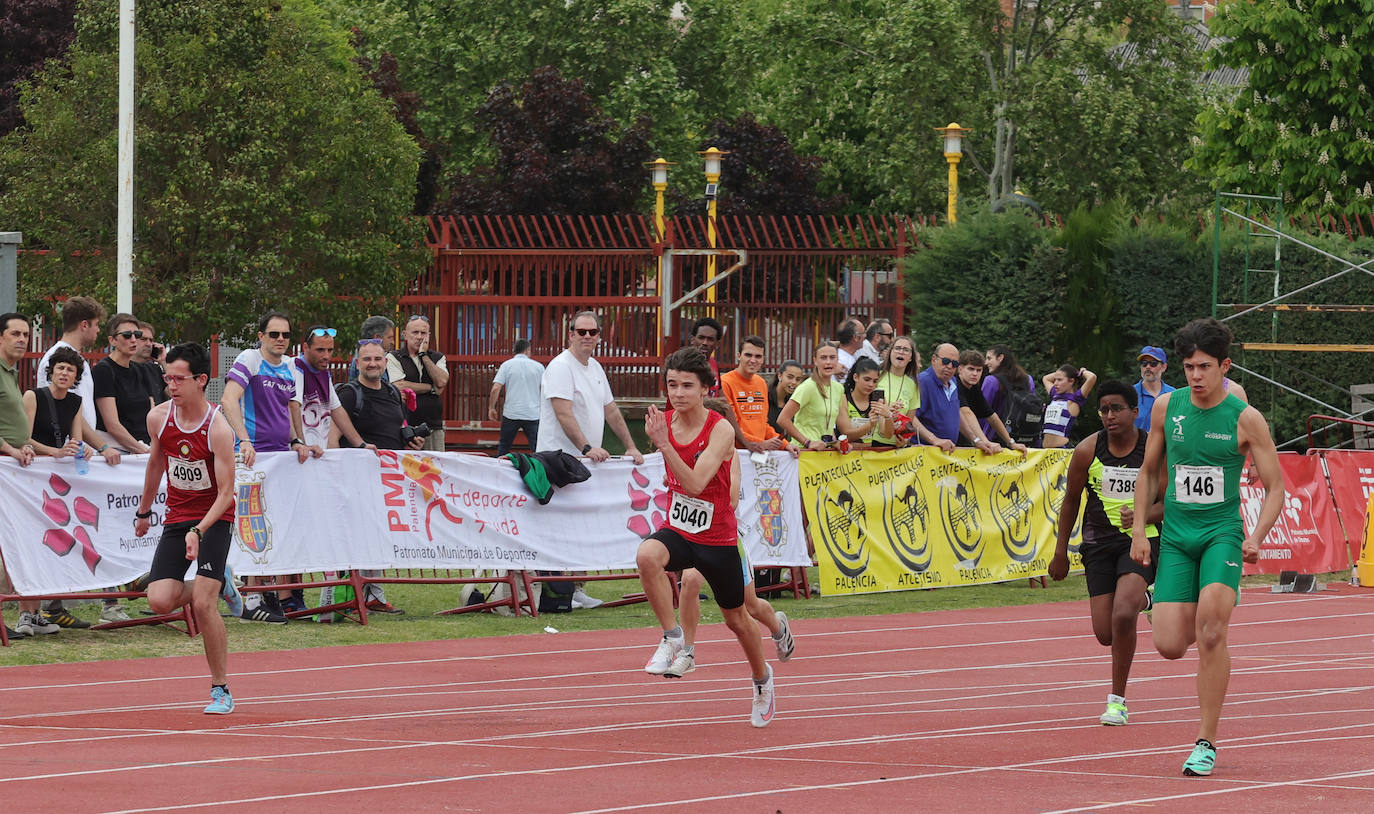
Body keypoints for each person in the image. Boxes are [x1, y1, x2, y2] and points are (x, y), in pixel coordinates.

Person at [1131, 317, 1284, 777]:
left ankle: (1206, 741)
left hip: (1222, 534)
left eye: (1204, 367)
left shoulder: (1245, 419)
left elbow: (1276, 487)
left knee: (1212, 632)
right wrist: (1140, 529)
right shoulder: (1165, 407)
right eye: (1189, 366)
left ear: (1224, 367)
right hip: (1176, 538)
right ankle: (1162, 599)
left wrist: (1256, 535)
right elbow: (1149, 472)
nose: (1195, 375)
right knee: (1171, 645)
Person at [635, 347, 777, 727]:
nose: (677, 394)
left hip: (717, 537)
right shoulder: (665, 421)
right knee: (648, 556)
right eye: (671, 385)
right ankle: (672, 637)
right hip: (681, 529)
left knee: (737, 618)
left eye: (686, 386)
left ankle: (762, 680)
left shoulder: (721, 428)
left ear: (704, 390)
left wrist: (664, 445)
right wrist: (662, 442)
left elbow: (697, 483)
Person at [132, 342, 245, 714]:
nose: (172, 386)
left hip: (215, 516)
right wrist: (144, 510)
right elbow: (154, 465)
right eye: (168, 378)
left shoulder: (218, 428)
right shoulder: (158, 419)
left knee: (202, 603)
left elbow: (227, 492)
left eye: (179, 379)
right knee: (159, 600)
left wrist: (201, 529)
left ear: (201, 380)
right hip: (179, 518)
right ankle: (222, 580)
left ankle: (220, 689)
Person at [1050, 380, 1162, 727]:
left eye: (1116, 409)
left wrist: (1143, 515)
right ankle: (1149, 599)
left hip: (1142, 538)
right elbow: (1070, 502)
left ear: (1134, 411)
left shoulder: (1154, 449)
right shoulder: (1087, 450)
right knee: (1105, 632)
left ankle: (1117, 701)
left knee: (1124, 611)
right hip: (1098, 542)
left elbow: (1171, 502)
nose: (1110, 416)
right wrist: (1059, 552)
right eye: (1104, 410)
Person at [667, 398, 795, 678]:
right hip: (694, 535)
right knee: (689, 580)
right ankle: (687, 651)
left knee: (749, 606)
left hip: (724, 538)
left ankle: (777, 626)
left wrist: (698, 487)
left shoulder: (730, 456)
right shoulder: (689, 450)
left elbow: (732, 500)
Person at [537, 311, 644, 610]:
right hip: (558, 460)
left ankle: (576, 587)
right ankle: (560, 589)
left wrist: (632, 446)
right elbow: (563, 412)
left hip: (581, 462)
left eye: (592, 332)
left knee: (581, 526)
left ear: (599, 336)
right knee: (561, 527)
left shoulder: (595, 367)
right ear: (569, 334)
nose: (586, 336)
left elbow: (611, 411)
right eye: (580, 331)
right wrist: (586, 447)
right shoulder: (560, 367)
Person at [30, 344, 125, 627]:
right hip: (36, 477)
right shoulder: (33, 396)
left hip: (63, 479)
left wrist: (88, 449)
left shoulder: (75, 403)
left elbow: (77, 439)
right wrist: (54, 452)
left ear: (75, 378)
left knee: (73, 537)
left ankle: (54, 606)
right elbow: (24, 438)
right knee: (40, 540)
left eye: (69, 370)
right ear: (51, 371)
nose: (63, 373)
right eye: (59, 368)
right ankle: (35, 610)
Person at [221, 310, 302, 625]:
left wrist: (298, 442)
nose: (280, 340)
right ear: (261, 336)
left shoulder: (289, 368)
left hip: (280, 458)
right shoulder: (250, 359)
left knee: (272, 527)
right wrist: (244, 441)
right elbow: (229, 401)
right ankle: (251, 599)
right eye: (274, 334)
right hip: (253, 458)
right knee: (253, 525)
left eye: (285, 335)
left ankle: (266, 595)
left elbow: (289, 410)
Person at [0, 312, 62, 637]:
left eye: (25, 334)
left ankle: (31, 614)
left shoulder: (10, 374)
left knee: (24, 542)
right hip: (4, 469)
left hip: (13, 469)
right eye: (15, 334)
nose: (23, 339)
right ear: (0, 337)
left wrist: (23, 446)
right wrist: (11, 449)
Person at [335, 339, 427, 452]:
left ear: (386, 362)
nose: (373, 364)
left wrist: (413, 443)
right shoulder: (349, 394)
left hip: (392, 467)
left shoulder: (393, 392)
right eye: (367, 359)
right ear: (357, 364)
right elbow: (332, 440)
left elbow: (394, 434)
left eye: (378, 359)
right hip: (360, 466)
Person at [776, 342, 867, 449]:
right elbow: (782, 419)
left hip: (824, 454)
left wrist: (835, 443)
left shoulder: (838, 388)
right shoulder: (807, 387)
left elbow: (828, 424)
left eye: (832, 357)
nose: (828, 362)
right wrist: (807, 443)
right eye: (823, 358)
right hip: (804, 453)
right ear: (815, 361)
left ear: (837, 360)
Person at [35, 295, 105, 434]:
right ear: (84, 325)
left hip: (81, 448)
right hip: (68, 448)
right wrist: (101, 446)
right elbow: (68, 411)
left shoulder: (76, 358)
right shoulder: (56, 358)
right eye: (96, 324)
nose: (98, 330)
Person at [91, 313, 156, 455]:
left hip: (146, 446)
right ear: (112, 340)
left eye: (137, 334)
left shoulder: (142, 370)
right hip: (118, 451)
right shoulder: (103, 370)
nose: (133, 340)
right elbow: (112, 425)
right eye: (127, 335)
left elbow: (152, 414)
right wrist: (142, 451)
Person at [387, 314, 448, 451]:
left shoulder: (437, 357)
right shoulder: (394, 357)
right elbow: (399, 385)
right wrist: (431, 388)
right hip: (405, 426)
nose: (419, 337)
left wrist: (424, 356)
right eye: (415, 332)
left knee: (435, 469)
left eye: (423, 333)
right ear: (405, 335)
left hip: (433, 426)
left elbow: (442, 381)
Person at [718, 335, 787, 453]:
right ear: (739, 356)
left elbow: (763, 424)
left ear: (763, 359)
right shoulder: (725, 383)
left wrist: (785, 445)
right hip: (736, 454)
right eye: (748, 355)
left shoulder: (761, 383)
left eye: (758, 356)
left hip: (759, 453)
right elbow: (729, 426)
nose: (753, 360)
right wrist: (761, 443)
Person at [955, 350, 1026, 456]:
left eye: (979, 370)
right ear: (960, 369)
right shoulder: (954, 384)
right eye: (971, 369)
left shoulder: (974, 387)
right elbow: (966, 413)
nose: (975, 374)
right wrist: (985, 442)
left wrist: (1011, 442)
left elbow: (991, 416)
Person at [488, 338, 544, 456]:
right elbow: (546, 390)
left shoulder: (507, 365)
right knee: (538, 449)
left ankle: (500, 471)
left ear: (515, 351)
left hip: (511, 413)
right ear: (527, 350)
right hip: (533, 413)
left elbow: (495, 388)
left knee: (504, 448)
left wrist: (491, 408)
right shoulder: (538, 367)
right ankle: (540, 472)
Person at [871, 335, 920, 448]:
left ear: (911, 357)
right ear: (890, 352)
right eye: (897, 348)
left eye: (906, 350)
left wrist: (904, 440)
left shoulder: (913, 385)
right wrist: (888, 411)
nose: (901, 352)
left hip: (896, 447)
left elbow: (909, 422)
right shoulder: (876, 376)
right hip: (874, 443)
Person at [982, 343, 1036, 440]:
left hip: (995, 438)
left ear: (1000, 358)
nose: (986, 363)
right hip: (1024, 438)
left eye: (989, 358)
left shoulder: (991, 381)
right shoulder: (1028, 379)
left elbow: (982, 412)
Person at [915, 343, 962, 451]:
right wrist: (934, 440)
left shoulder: (953, 382)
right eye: (945, 361)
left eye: (954, 364)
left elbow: (957, 413)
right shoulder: (923, 382)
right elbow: (910, 417)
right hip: (926, 453)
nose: (950, 366)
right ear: (933, 360)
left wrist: (976, 440)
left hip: (946, 453)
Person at [1041, 364, 1098, 449]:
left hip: (1061, 450)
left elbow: (1092, 377)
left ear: (1071, 381)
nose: (1055, 383)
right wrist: (1060, 373)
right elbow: (1045, 378)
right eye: (1055, 379)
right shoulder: (1055, 395)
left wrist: (1081, 372)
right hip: (1046, 450)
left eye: (1059, 380)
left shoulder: (1075, 399)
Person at [842, 357, 892, 444]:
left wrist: (888, 416)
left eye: (875, 381)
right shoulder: (844, 399)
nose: (871, 385)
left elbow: (887, 435)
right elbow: (846, 436)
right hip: (846, 455)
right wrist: (870, 425)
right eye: (867, 379)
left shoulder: (878, 401)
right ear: (856, 377)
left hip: (868, 454)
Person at [1133, 346, 1174, 431]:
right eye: (1144, 363)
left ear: (1163, 367)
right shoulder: (1130, 393)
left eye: (1153, 363)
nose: (1148, 367)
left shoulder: (1173, 394)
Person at [349, 315, 394, 382]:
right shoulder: (371, 362)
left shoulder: (360, 355)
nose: (392, 342)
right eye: (389, 337)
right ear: (377, 337)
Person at [766, 360, 805, 436]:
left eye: (798, 379)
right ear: (779, 375)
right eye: (790, 377)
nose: (794, 382)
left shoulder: (794, 402)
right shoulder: (765, 397)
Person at [689, 317, 724, 396]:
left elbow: (721, 397)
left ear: (717, 344)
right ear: (692, 340)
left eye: (710, 339)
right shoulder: (682, 365)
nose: (705, 343)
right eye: (701, 338)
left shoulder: (713, 364)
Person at [135, 319, 167, 404]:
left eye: (151, 340)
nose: (148, 344)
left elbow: (171, 394)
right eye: (143, 339)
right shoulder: (123, 368)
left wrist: (164, 362)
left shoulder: (154, 369)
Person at [833, 317, 865, 383]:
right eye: (863, 333)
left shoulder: (839, 356)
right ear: (855, 337)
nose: (865, 336)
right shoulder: (843, 364)